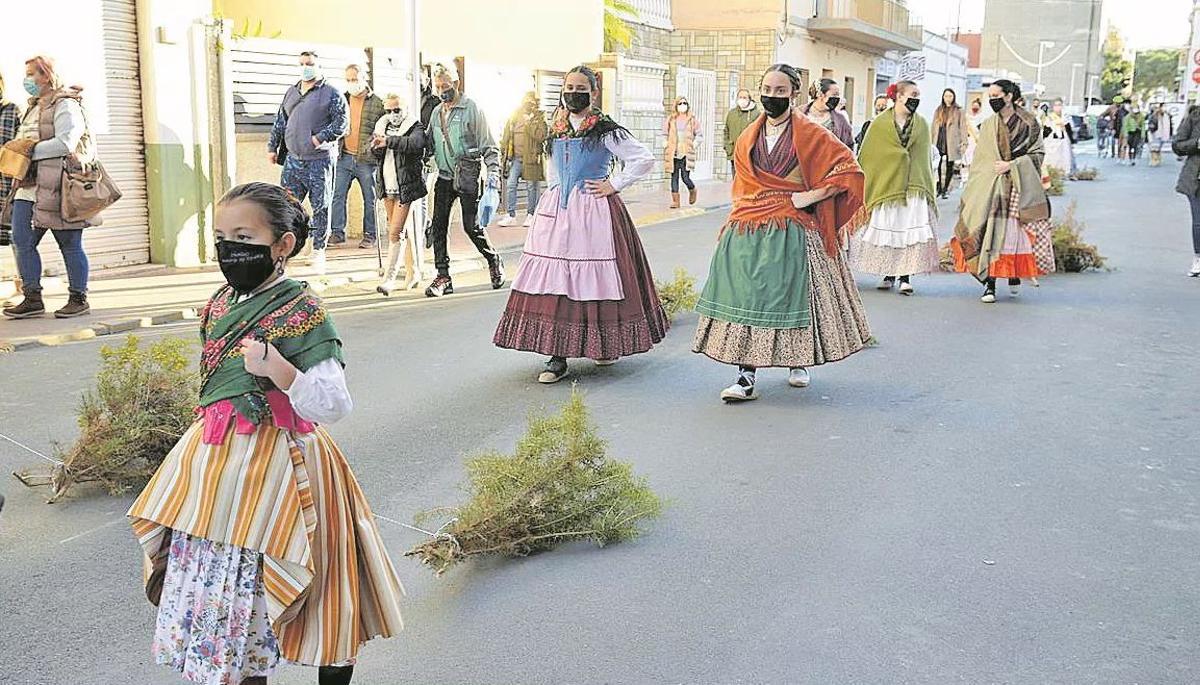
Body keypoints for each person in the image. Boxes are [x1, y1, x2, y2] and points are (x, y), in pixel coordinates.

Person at [127, 182, 404, 685]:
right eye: (220, 235)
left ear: (283, 244)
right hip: (216, 462)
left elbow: (334, 404)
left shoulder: (303, 311)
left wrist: (280, 370)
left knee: (308, 581)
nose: (229, 248)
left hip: (285, 463)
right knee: (233, 595)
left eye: (243, 235)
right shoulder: (219, 303)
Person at [692, 64, 870, 402]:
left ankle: (798, 361)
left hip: (795, 225)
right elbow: (742, 184)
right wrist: (735, 219)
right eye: (767, 89)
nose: (772, 96)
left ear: (794, 94)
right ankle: (745, 377)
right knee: (746, 297)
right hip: (749, 224)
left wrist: (810, 196)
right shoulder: (748, 137)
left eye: (780, 91)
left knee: (794, 295)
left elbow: (849, 170)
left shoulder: (813, 133)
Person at [493, 65, 666, 384]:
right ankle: (557, 355)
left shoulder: (605, 129)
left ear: (593, 92)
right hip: (558, 211)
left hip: (594, 211)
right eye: (568, 87)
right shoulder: (554, 128)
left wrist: (614, 184)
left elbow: (644, 158)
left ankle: (602, 346)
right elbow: (553, 170)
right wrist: (552, 198)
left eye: (580, 88)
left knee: (596, 280)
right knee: (556, 280)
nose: (573, 93)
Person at [2, 56, 94, 320]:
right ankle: (32, 298)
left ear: (48, 75)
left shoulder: (66, 105)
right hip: (28, 186)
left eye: (32, 74)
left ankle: (78, 297)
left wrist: (27, 150)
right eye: (27, 74)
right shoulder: (32, 106)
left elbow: (65, 143)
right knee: (20, 240)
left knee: (69, 242)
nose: (27, 80)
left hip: (57, 185)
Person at [951, 79, 1049, 304]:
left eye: (997, 94)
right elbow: (982, 159)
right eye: (990, 95)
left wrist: (1012, 165)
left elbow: (1038, 154)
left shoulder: (1029, 122)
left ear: (1009, 96)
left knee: (1012, 237)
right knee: (989, 234)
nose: (992, 98)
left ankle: (1013, 272)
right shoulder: (988, 125)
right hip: (991, 185)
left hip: (1017, 186)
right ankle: (990, 283)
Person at [850, 81, 940, 295]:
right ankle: (889, 273)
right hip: (887, 187)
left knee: (907, 232)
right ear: (899, 96)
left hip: (912, 187)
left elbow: (923, 158)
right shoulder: (880, 124)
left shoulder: (922, 124)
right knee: (891, 231)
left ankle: (905, 277)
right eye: (912, 94)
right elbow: (869, 156)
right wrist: (895, 158)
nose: (916, 98)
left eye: (918, 94)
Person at [424, 63, 505, 297]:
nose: (442, 90)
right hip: (444, 177)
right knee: (438, 227)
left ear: (457, 84)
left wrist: (493, 178)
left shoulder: (472, 110)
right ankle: (443, 276)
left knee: (472, 227)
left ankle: (493, 259)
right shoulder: (437, 112)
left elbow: (490, 147)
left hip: (468, 176)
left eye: (446, 86)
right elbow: (428, 143)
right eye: (438, 86)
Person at [267, 51, 349, 276]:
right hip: (293, 161)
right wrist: (272, 147)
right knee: (288, 206)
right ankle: (294, 245)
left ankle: (319, 249)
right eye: (302, 64)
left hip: (319, 161)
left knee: (321, 205)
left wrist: (319, 138)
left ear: (319, 65)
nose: (306, 68)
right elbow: (280, 121)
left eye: (310, 64)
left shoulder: (331, 93)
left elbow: (342, 124)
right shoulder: (292, 92)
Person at [372, 93, 428, 295]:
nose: (392, 114)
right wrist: (376, 147)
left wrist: (389, 142)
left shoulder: (415, 126)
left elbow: (414, 145)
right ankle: (414, 272)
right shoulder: (381, 126)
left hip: (407, 187)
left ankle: (389, 279)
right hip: (387, 185)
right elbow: (377, 154)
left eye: (396, 110)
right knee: (401, 230)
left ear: (404, 109)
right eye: (388, 110)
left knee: (395, 232)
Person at [330, 64, 385, 249]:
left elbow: (383, 130)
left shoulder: (377, 102)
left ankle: (370, 234)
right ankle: (337, 232)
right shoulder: (342, 99)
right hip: (344, 156)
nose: (352, 83)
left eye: (354, 79)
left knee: (369, 198)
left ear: (364, 79)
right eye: (348, 80)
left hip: (367, 161)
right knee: (337, 195)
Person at [498, 92, 548, 228]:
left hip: (531, 158)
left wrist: (529, 123)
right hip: (515, 158)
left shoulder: (539, 118)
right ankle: (510, 215)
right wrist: (503, 151)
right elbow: (507, 134)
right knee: (511, 184)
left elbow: (541, 136)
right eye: (525, 101)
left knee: (532, 187)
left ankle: (531, 215)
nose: (527, 105)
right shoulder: (514, 116)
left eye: (530, 102)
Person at [1172, 105, 1200, 276]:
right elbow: (1177, 144)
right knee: (1199, 221)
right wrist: (1196, 143)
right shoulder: (1195, 117)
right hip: (1196, 180)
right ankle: (1198, 258)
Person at [664, 96, 701, 207]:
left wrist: (694, 144)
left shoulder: (692, 120)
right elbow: (665, 133)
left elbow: (699, 135)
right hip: (673, 152)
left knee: (685, 177)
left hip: (686, 152)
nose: (682, 106)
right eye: (680, 104)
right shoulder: (671, 119)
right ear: (676, 106)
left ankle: (692, 190)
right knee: (674, 176)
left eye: (684, 103)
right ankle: (675, 201)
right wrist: (665, 142)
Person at [932, 88, 969, 198]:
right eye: (946, 96)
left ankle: (945, 189)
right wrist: (930, 140)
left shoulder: (958, 110)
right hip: (939, 137)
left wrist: (964, 142)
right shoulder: (939, 110)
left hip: (952, 140)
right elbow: (933, 125)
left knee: (949, 164)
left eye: (950, 96)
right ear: (943, 97)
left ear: (953, 97)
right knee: (937, 163)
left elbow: (963, 127)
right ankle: (938, 186)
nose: (948, 98)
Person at [802, 78, 855, 149]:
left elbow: (849, 145)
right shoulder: (799, 114)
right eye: (834, 95)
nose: (837, 98)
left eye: (838, 95)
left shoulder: (841, 119)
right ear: (820, 95)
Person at [0, 73, 20, 257]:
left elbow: (23, 148)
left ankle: (23, 279)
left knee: (16, 237)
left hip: (7, 185)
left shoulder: (12, 109)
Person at [724, 89, 761, 175]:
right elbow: (726, 131)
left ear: (749, 99)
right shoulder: (731, 114)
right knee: (736, 180)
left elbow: (759, 133)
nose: (742, 99)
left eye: (744, 97)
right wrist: (727, 146)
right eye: (740, 97)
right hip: (734, 152)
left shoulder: (756, 114)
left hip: (749, 155)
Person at [1041, 99, 1075, 178]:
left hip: (1063, 141)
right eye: (1056, 105)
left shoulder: (1066, 117)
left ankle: (1064, 172)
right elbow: (1045, 131)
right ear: (1053, 107)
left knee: (1065, 156)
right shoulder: (1049, 117)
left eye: (1059, 105)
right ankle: (1052, 172)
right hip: (1052, 142)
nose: (1058, 107)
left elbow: (1069, 130)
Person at [1148, 103, 1174, 167]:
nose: (1164, 108)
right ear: (1160, 107)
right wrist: (1152, 130)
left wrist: (1170, 133)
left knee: (1158, 148)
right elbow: (1151, 124)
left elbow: (1170, 125)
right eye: (1163, 107)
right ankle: (1154, 160)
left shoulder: (1167, 116)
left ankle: (1158, 160)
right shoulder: (1155, 115)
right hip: (1156, 133)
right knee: (1154, 148)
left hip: (1164, 134)